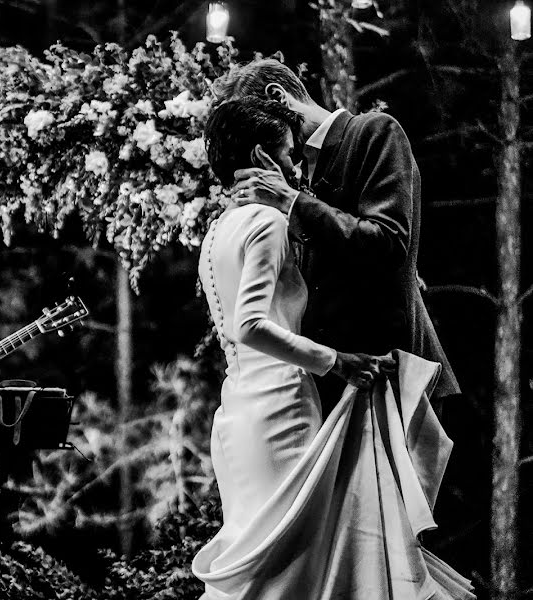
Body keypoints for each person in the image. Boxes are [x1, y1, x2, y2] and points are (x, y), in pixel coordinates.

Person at [190, 97, 474, 599]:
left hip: (241, 411)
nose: (298, 166)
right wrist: (337, 361)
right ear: (263, 156)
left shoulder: (216, 231)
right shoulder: (269, 221)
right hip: (288, 406)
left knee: (281, 561)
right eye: (289, 153)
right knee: (316, 564)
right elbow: (250, 324)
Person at [214, 58, 458, 407]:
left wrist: (292, 200)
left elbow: (388, 242)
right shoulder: (294, 174)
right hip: (339, 391)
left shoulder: (374, 132)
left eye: (258, 121)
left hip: (399, 381)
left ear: (278, 96)